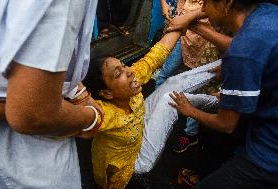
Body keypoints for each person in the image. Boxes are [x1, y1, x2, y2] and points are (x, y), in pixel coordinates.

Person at [79, 9, 221, 188]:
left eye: (123, 66)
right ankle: (219, 101)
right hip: (132, 168)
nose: (129, 71)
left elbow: (156, 55)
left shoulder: (131, 79)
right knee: (169, 99)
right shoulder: (103, 114)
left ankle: (223, 67)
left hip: (138, 131)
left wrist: (180, 25)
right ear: (107, 94)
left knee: (171, 82)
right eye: (119, 73)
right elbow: (67, 118)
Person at [168, 0, 278, 188]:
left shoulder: (242, 52)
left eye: (206, 3)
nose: (202, 9)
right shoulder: (268, 12)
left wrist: (189, 110)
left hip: (269, 151)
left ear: (227, 4)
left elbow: (226, 124)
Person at [0, 0, 102, 188]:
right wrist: (91, 118)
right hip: (25, 159)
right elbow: (33, 114)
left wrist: (77, 88)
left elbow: (41, 53)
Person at [159, 0, 232, 153]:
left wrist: (190, 19)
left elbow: (227, 124)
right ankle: (156, 110)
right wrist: (167, 5)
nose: (204, 6)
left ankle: (190, 134)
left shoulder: (246, 35)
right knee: (166, 72)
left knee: (202, 83)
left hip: (208, 34)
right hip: (185, 25)